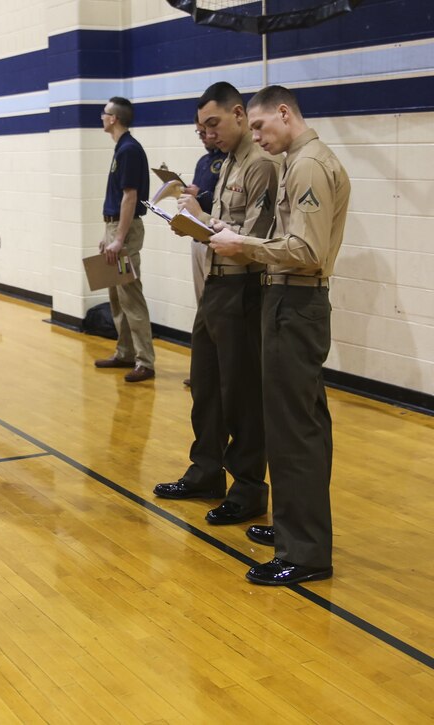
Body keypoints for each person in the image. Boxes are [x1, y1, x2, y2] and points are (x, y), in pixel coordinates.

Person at [210, 84, 350, 586]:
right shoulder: (302, 160)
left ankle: (305, 551)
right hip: (290, 301)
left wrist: (244, 245)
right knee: (299, 424)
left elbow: (307, 251)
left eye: (260, 126)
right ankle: (295, 526)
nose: (257, 137)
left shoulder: (308, 164)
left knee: (294, 430)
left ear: (284, 113)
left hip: (295, 301)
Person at [154, 82, 279, 528]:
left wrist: (202, 220)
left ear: (239, 114)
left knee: (241, 395)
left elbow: (253, 240)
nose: (209, 134)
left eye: (214, 123)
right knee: (205, 386)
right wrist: (192, 223)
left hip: (242, 289)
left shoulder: (261, 163)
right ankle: (206, 470)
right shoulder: (225, 162)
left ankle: (248, 488)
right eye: (202, 128)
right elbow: (222, 226)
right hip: (216, 286)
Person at [93, 97, 155, 382]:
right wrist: (107, 235)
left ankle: (145, 361)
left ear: (114, 118)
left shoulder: (129, 150)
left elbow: (130, 196)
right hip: (115, 227)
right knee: (117, 296)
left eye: (104, 113)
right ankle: (125, 352)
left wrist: (119, 239)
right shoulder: (122, 148)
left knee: (130, 296)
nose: (101, 116)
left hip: (124, 231)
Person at [188, 120, 228, 305]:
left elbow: (224, 202)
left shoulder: (227, 160)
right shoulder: (202, 161)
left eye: (204, 132)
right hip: (196, 235)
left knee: (214, 301)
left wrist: (200, 194)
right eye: (199, 133)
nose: (203, 137)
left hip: (214, 236)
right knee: (201, 299)